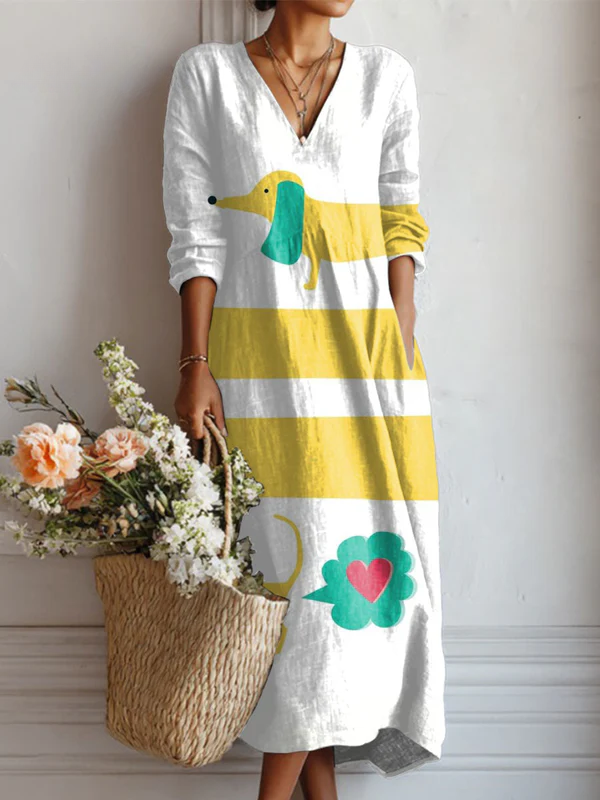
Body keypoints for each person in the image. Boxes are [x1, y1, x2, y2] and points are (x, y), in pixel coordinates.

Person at [162, 1, 445, 797]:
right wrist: (194, 362)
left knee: (337, 601)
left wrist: (400, 328)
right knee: (296, 599)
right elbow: (196, 232)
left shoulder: (386, 77)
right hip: (259, 377)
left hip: (369, 375)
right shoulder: (207, 76)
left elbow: (400, 215)